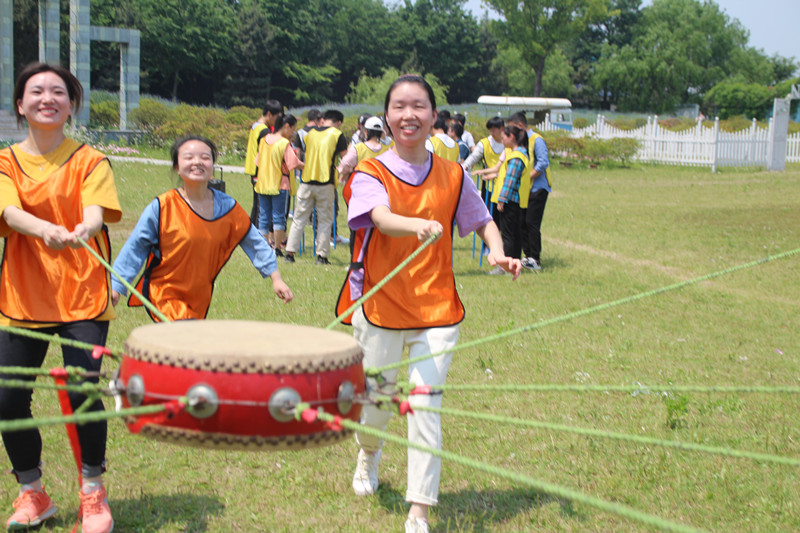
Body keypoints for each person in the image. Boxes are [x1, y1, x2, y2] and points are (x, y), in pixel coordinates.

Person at [337, 74, 521, 533]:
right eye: (399, 106)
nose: (409, 115)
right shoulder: (370, 171)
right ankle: (369, 453)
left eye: (418, 106)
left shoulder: (453, 173)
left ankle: (418, 508)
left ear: (433, 115)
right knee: (377, 402)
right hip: (381, 307)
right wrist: (415, 224)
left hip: (437, 311)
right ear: (387, 116)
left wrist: (497, 252)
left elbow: (481, 219)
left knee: (424, 405)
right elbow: (379, 217)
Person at [0, 62, 121, 533]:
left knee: (82, 389)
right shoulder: (6, 161)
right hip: (24, 295)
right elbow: (9, 211)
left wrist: (84, 228)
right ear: (20, 104)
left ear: (72, 105)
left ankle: (93, 493)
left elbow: (95, 212)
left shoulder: (91, 159)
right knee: (7, 397)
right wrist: (45, 228)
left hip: (82, 293)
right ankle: (33, 492)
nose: (47, 98)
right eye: (36, 91)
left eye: (58, 92)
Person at [111, 136, 293, 321]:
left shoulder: (228, 208)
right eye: (189, 157)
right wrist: (116, 285)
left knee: (190, 336)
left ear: (212, 165)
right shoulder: (163, 207)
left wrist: (276, 278)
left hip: (199, 297)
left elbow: (254, 242)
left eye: (205, 157)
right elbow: (135, 247)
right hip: (164, 292)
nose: (197, 162)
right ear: (177, 166)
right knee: (184, 332)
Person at [284, 109, 347, 265]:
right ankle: (321, 256)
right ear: (339, 123)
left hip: (306, 181)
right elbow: (345, 159)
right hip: (326, 183)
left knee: (299, 219)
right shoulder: (337, 135)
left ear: (323, 119)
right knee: (324, 220)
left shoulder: (309, 134)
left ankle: (289, 253)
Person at [254, 114, 303, 255]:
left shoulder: (263, 140)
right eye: (293, 129)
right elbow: (293, 163)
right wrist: (308, 167)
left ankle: (264, 248)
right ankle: (277, 248)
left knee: (263, 217)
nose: (293, 133)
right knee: (278, 217)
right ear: (286, 126)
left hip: (263, 184)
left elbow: (257, 162)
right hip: (280, 184)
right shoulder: (283, 143)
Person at [508, 111, 551, 271]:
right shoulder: (521, 141)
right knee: (522, 222)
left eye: (513, 128)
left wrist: (527, 177)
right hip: (525, 189)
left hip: (538, 188)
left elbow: (542, 163)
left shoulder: (536, 139)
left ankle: (535, 258)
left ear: (520, 125)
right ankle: (527, 256)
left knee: (532, 223)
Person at [493, 125, 531, 273]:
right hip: (517, 201)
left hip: (510, 201)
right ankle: (515, 263)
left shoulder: (516, 157)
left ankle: (505, 266)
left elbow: (510, 180)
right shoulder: (522, 154)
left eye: (504, 137)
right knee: (515, 233)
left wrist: (502, 199)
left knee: (508, 235)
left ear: (511, 137)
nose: (502, 140)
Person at [245, 100, 283, 224]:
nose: (277, 121)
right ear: (269, 114)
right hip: (259, 171)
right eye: (277, 117)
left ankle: (251, 231)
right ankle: (256, 233)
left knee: (257, 207)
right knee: (261, 209)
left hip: (253, 169)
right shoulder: (264, 131)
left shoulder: (255, 126)